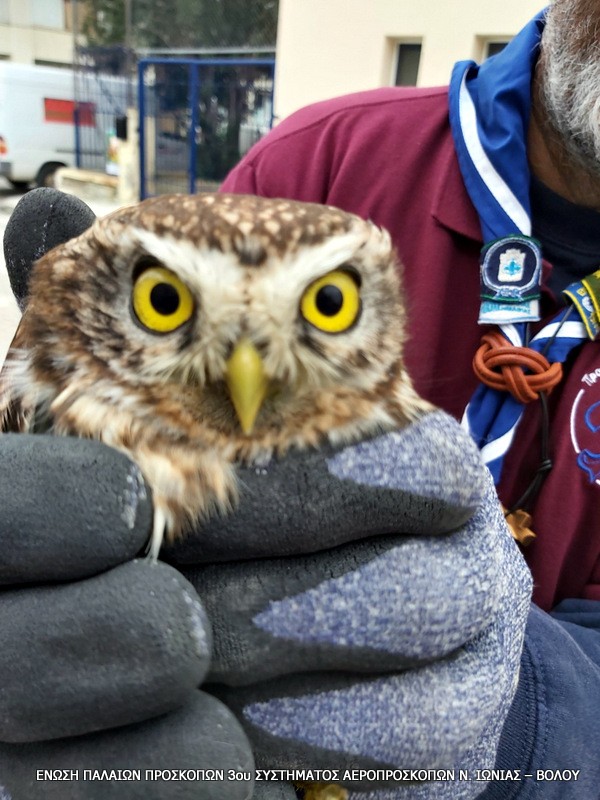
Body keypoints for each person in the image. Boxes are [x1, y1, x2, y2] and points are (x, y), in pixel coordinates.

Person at [0, 5, 597, 800]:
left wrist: (533, 720)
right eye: (167, 302)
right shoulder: (326, 159)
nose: (248, 372)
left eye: (324, 309)